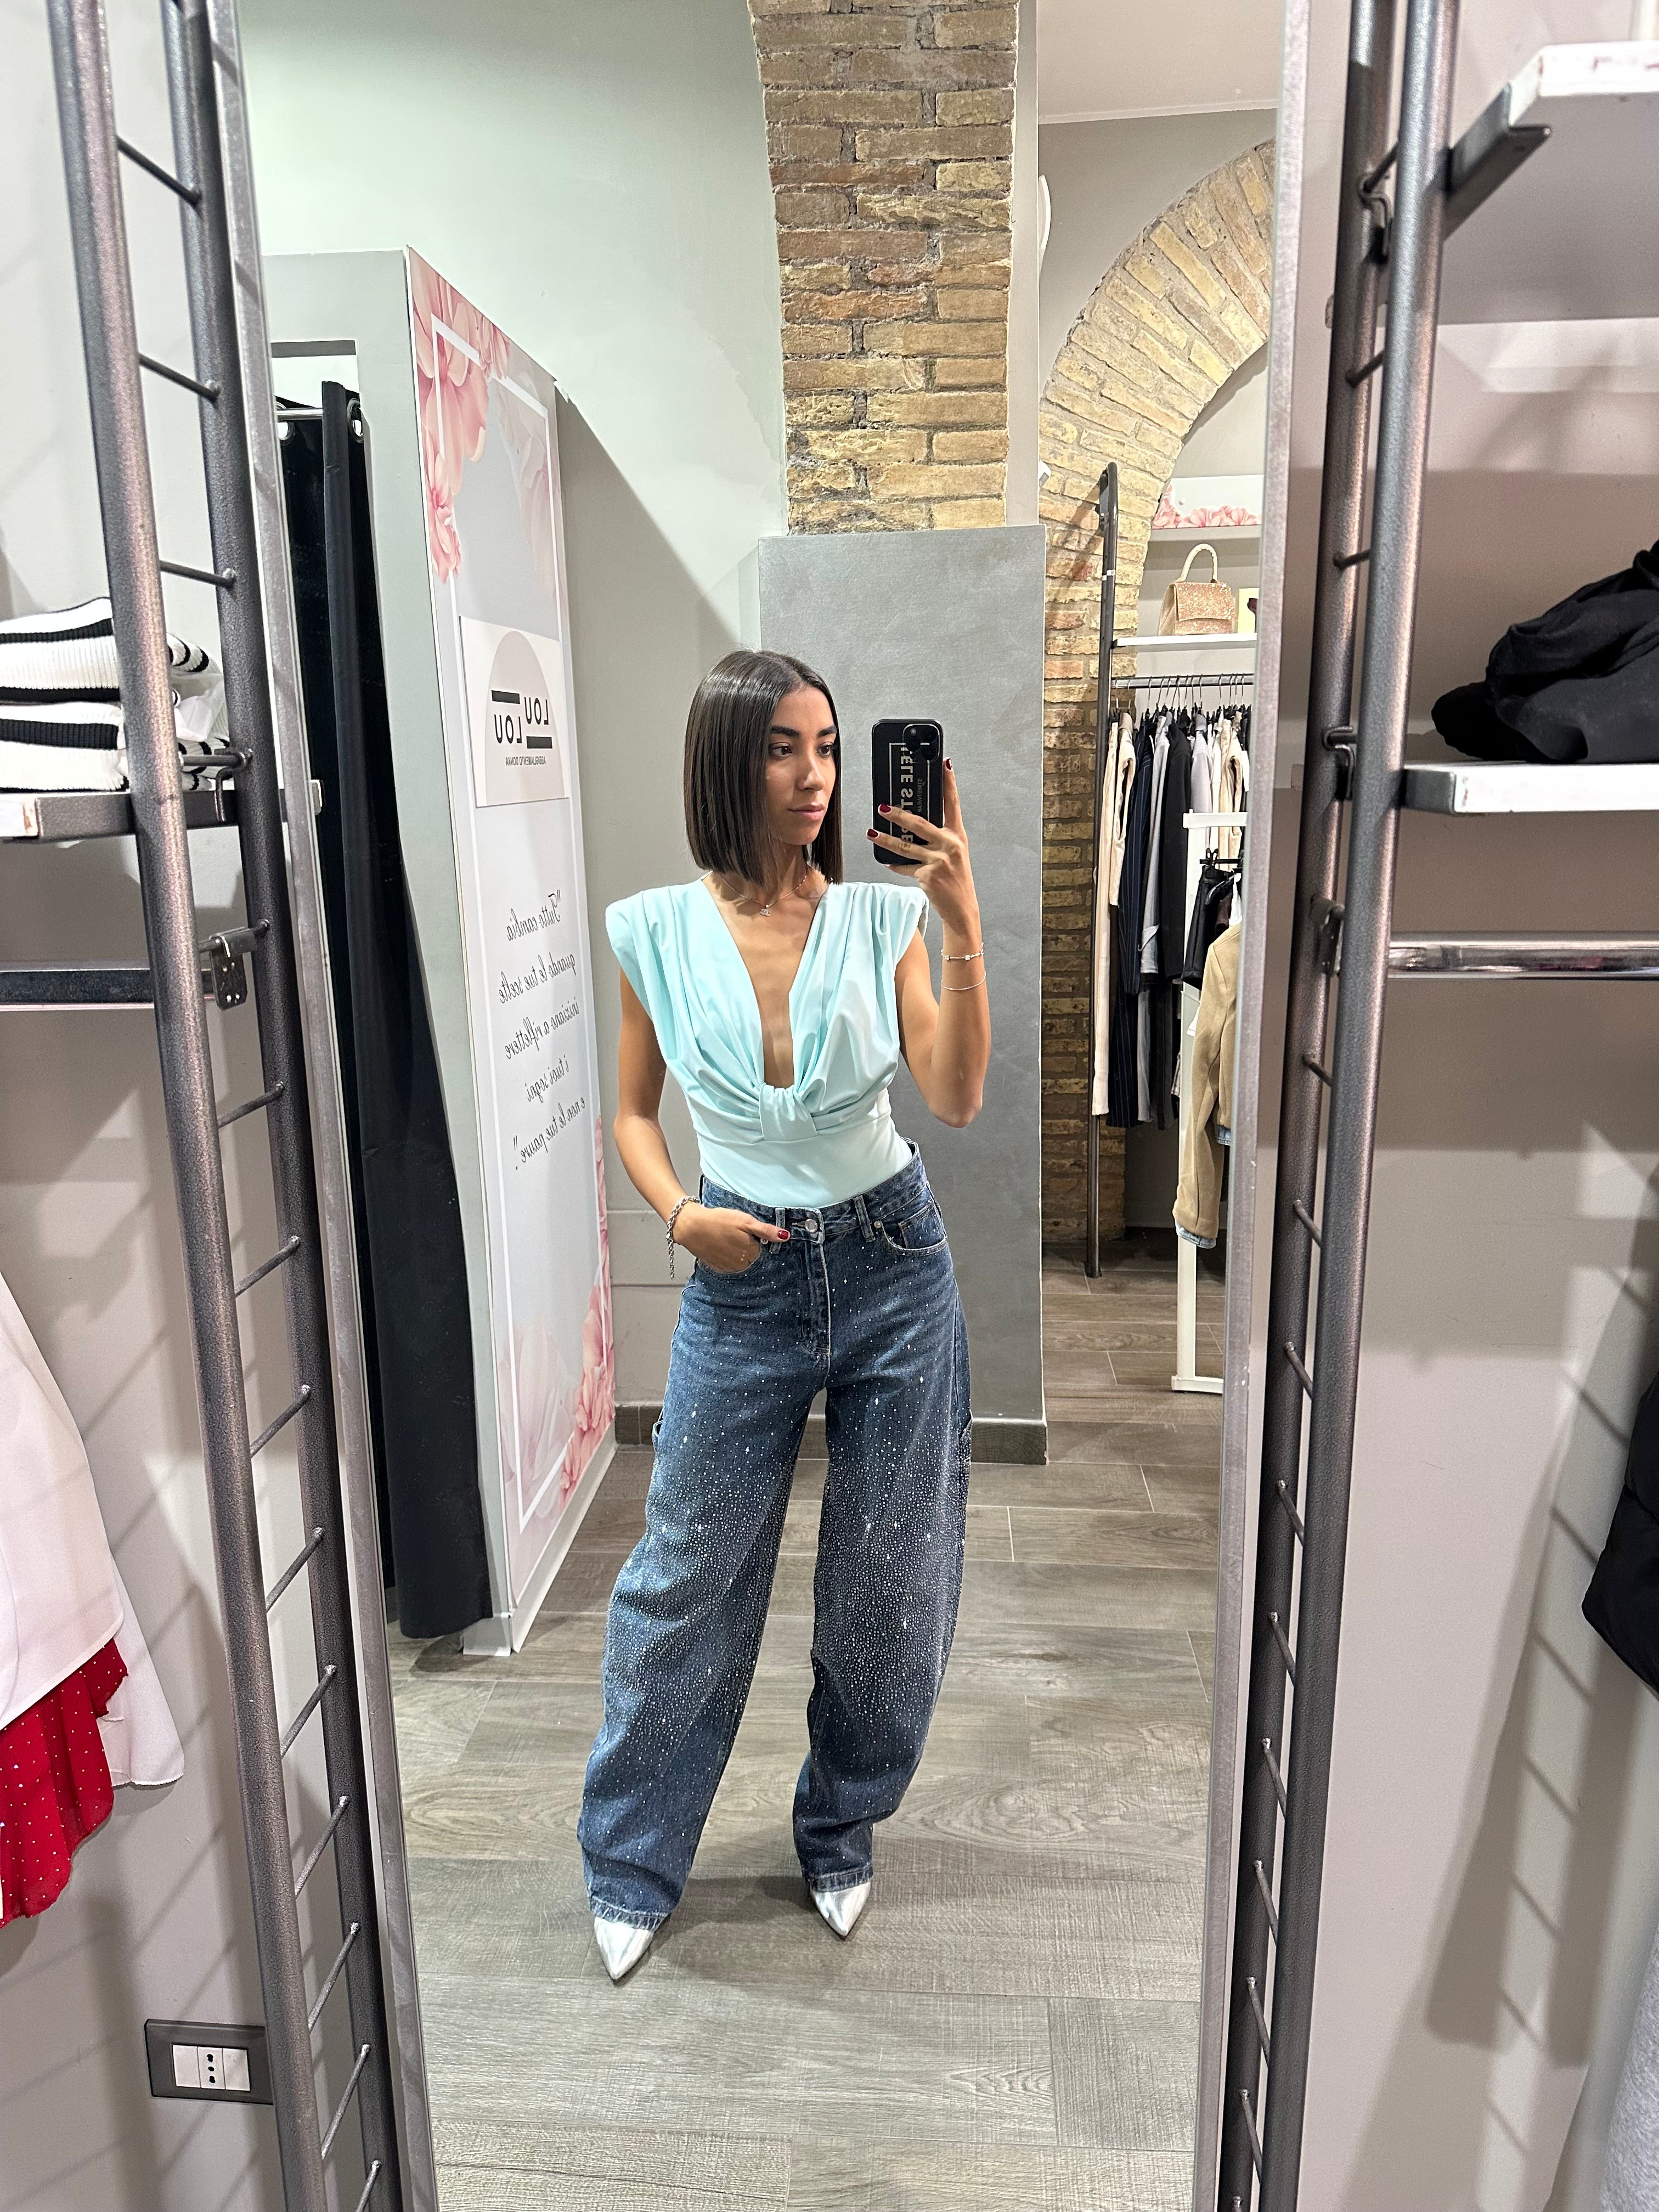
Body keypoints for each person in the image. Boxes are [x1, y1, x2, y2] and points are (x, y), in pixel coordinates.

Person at [576, 648, 991, 1981]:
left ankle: (840, 1826)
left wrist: (962, 923)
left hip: (891, 1263)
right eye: (781, 748)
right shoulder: (653, 930)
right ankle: (632, 1857)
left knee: (890, 1581)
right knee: (686, 1575)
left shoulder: (882, 922)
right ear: (726, 760)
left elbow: (955, 1096)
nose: (815, 776)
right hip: (739, 1273)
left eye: (827, 746)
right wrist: (678, 1216)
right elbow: (633, 1115)